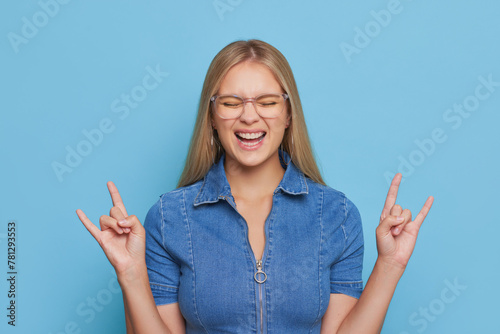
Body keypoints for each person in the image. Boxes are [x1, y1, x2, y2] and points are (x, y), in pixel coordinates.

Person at [76, 39, 434, 333]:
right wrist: (131, 273)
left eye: (267, 102)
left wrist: (390, 264)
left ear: (289, 114)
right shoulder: (170, 218)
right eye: (231, 103)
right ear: (212, 116)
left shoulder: (336, 214)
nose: (249, 116)